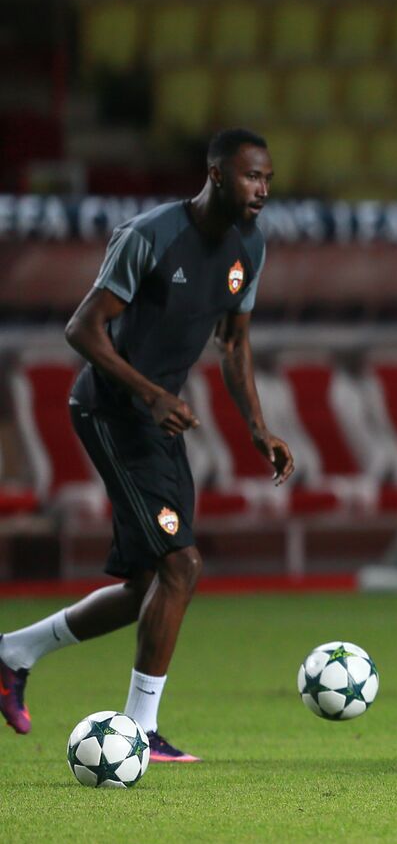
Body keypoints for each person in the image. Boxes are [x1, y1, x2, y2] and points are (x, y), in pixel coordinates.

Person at [0, 129, 294, 761]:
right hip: (111, 409)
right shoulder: (151, 236)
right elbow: (82, 327)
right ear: (216, 175)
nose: (263, 191)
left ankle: (12, 652)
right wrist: (151, 394)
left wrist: (257, 428)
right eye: (251, 178)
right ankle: (139, 732)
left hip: (158, 419)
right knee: (182, 566)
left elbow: (234, 342)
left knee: (146, 588)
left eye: (268, 179)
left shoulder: (251, 245)